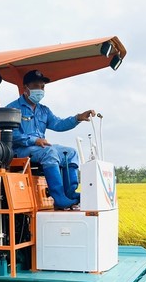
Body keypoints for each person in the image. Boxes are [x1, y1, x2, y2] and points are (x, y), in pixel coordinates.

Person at [6, 70, 95, 209]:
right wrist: (34, 140)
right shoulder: (12, 108)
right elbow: (11, 135)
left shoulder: (44, 110)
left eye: (42, 87)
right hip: (20, 150)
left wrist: (78, 118)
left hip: (40, 148)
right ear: (25, 88)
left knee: (70, 153)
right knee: (50, 152)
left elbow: (58, 124)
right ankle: (59, 198)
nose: (40, 90)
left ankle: (70, 194)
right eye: (36, 86)